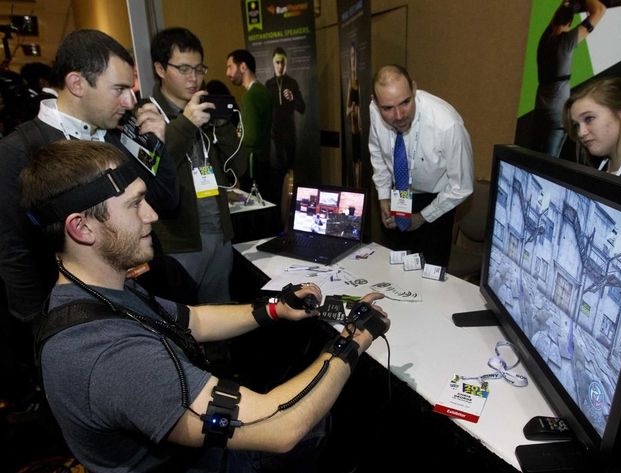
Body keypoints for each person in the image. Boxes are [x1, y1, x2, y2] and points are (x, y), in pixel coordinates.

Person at [20, 139, 390, 472]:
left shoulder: (97, 290)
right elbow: (282, 426)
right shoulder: (107, 355)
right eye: (135, 205)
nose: (151, 215)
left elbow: (192, 319)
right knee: (322, 423)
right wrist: (354, 338)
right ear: (81, 228)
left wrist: (276, 308)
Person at [0, 29, 178, 328]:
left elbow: (167, 201)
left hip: (137, 300)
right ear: (77, 83)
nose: (130, 100)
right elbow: (14, 253)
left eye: (131, 89)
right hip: (76, 317)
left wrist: (157, 146)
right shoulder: (18, 151)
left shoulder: (119, 135)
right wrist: (39, 330)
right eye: (119, 89)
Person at [150, 27, 247, 303]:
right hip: (179, 244)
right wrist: (186, 124)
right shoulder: (147, 114)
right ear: (160, 68)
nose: (194, 78)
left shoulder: (205, 110)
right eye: (183, 69)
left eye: (199, 68)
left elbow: (236, 170)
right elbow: (153, 171)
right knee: (183, 325)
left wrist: (223, 126)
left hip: (219, 235)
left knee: (221, 319)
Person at [368, 65, 474, 268]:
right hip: (399, 193)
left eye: (405, 102)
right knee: (393, 268)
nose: (398, 115)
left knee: (430, 276)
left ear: (414, 89)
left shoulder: (447, 124)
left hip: (436, 201)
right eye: (387, 108)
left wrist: (424, 216)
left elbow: (462, 186)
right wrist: (383, 195)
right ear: (375, 102)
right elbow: (377, 151)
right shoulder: (374, 110)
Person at [532, 0, 606, 157]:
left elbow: (557, 17)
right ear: (570, 22)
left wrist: (566, 4)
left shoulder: (544, 41)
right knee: (551, 159)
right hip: (557, 111)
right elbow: (599, 10)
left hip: (540, 107)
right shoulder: (566, 41)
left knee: (536, 154)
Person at [226, 49, 275, 206]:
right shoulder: (262, 91)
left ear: (242, 67)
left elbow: (251, 137)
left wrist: (234, 140)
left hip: (253, 166)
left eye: (230, 67)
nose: (227, 73)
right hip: (263, 162)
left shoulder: (251, 96)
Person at [265, 47, 305, 176]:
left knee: (291, 171)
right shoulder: (268, 84)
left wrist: (293, 98)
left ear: (286, 63)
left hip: (290, 133)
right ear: (273, 63)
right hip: (275, 134)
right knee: (278, 171)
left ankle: (291, 195)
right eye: (277, 62)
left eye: (283, 62)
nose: (280, 65)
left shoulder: (292, 83)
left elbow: (302, 108)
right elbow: (265, 111)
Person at [345, 42, 362, 188]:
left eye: (354, 56)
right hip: (353, 130)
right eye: (351, 56)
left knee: (360, 165)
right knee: (354, 162)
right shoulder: (350, 82)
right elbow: (346, 110)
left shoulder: (360, 81)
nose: (353, 59)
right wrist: (353, 108)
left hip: (361, 130)